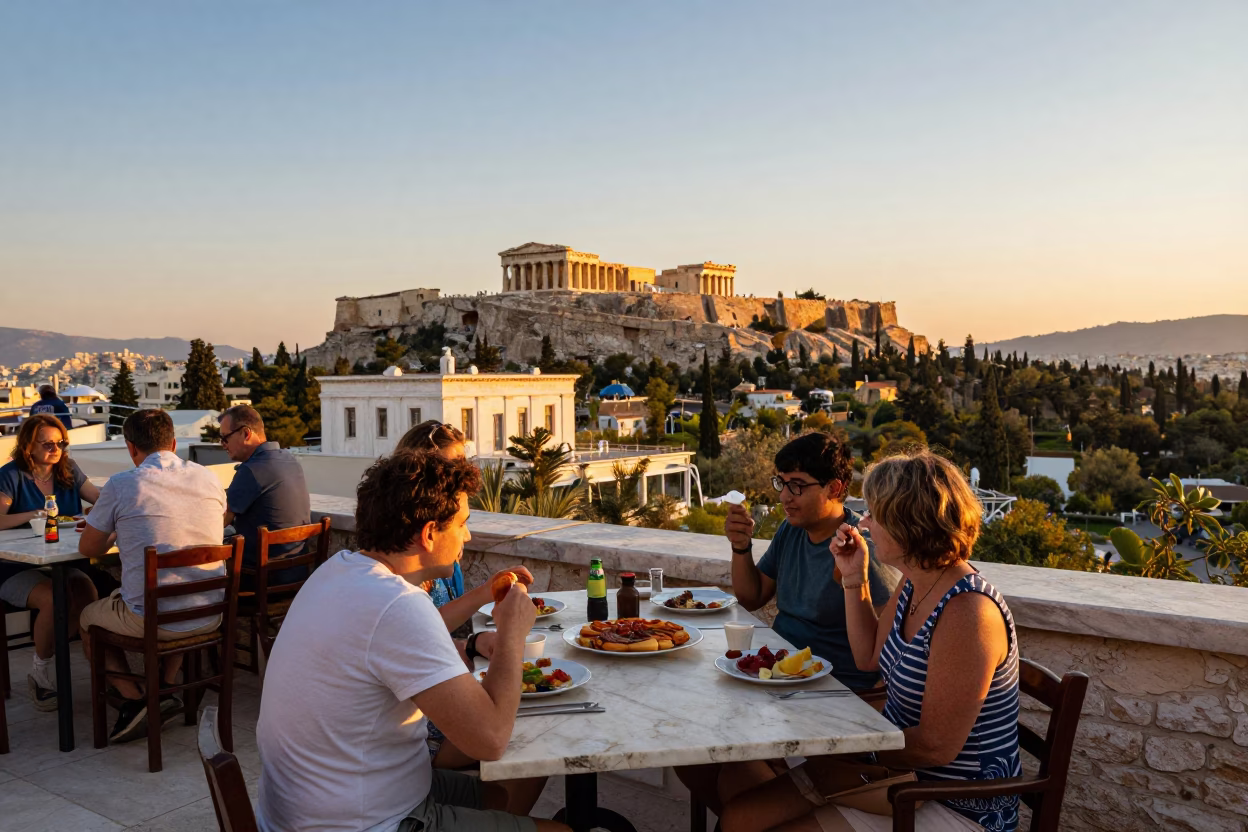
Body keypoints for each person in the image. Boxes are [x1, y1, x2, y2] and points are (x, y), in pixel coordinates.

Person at [256, 450, 568, 832]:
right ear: (429, 533)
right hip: (362, 822)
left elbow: (398, 638)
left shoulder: (339, 571)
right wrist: (511, 637)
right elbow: (489, 741)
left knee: (505, 795)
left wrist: (485, 593)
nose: (467, 536)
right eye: (462, 524)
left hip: (310, 806)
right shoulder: (396, 605)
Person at [717, 449, 1021, 832]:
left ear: (907, 523)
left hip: (950, 802)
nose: (864, 522)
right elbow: (867, 658)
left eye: (875, 514)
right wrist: (853, 577)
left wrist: (845, 746)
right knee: (738, 816)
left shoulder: (968, 612)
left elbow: (936, 746)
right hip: (891, 773)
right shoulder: (916, 583)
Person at [77, 409, 228, 743]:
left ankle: (135, 700)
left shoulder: (122, 484)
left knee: (88, 617)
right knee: (175, 590)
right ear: (173, 443)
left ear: (131, 448)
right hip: (209, 614)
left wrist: (115, 529)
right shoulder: (209, 478)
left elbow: (89, 548)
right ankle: (165, 687)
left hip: (158, 620)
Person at [728, 432, 895, 691]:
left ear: (834, 488)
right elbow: (753, 596)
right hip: (777, 672)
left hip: (833, 689)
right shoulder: (791, 529)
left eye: (797, 485)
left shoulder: (860, 547)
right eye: (781, 483)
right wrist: (740, 547)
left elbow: (887, 645)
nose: (784, 496)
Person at [0, 414, 100, 710]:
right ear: (28, 446)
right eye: (47, 444)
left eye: (61, 442)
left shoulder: (68, 470)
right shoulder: (11, 475)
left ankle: (102, 673)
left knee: (88, 597)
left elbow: (97, 497)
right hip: (15, 565)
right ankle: (41, 672)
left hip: (60, 559)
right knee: (55, 599)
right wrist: (34, 515)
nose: (55, 449)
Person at [218, 404, 311, 587]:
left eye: (225, 438)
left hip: (263, 579)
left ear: (246, 434)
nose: (222, 445)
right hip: (298, 573)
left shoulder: (252, 470)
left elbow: (220, 521)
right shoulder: (290, 460)